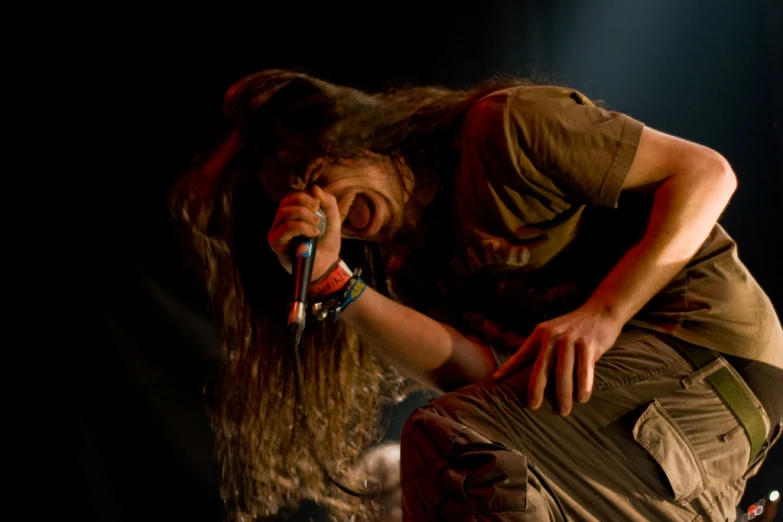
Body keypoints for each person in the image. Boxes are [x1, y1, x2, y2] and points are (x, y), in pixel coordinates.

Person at [170, 69, 783, 521]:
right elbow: (485, 377)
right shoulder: (410, 268)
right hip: (635, 431)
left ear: (360, 136)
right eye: (296, 206)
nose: (322, 209)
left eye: (313, 179)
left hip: (704, 354)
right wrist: (335, 283)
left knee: (446, 445)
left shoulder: (506, 128)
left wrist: (604, 315)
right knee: (478, 470)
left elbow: (707, 173)